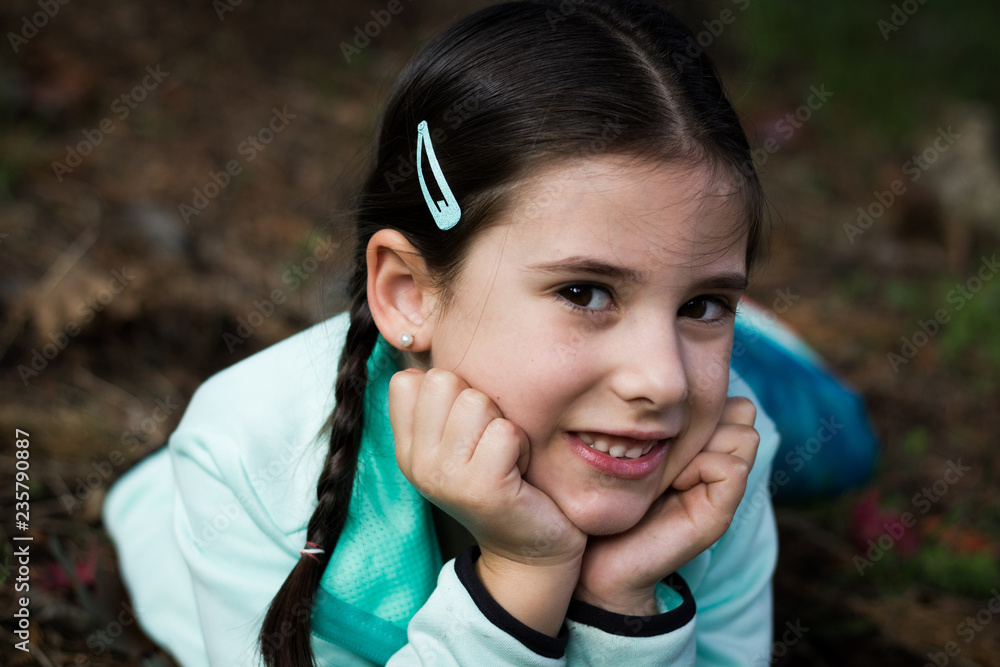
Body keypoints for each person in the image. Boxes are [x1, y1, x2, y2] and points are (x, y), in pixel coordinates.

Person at [103, 1, 781, 664]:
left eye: (705, 304)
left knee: (840, 439)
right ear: (410, 294)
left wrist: (624, 596)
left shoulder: (726, 460)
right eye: (584, 292)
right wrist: (524, 578)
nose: (661, 379)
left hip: (630, 418)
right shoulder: (245, 460)